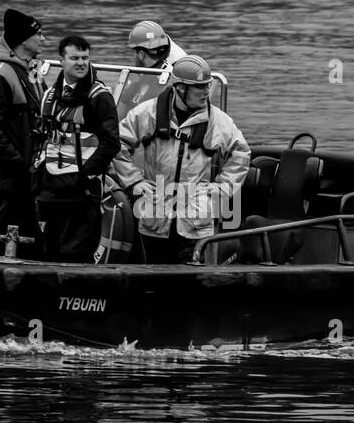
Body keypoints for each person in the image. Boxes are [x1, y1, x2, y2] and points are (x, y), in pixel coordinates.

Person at [113, 55, 250, 263]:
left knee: (191, 284)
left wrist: (221, 190)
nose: (206, 91)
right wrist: (134, 181)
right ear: (180, 88)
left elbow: (240, 153)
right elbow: (117, 144)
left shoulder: (217, 121)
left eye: (208, 85)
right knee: (151, 279)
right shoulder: (148, 113)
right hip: (154, 219)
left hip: (195, 224)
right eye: (199, 87)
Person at [33, 35, 121, 262]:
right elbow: (41, 138)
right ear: (61, 60)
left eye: (85, 58)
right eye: (74, 58)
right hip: (50, 189)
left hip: (82, 191)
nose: (81, 63)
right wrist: (37, 172)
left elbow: (111, 143)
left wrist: (86, 174)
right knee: (46, 250)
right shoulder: (49, 96)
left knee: (75, 253)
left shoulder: (99, 97)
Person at [0, 8, 46, 255]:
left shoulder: (31, 72)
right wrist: (17, 162)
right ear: (22, 39)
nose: (43, 39)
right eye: (38, 34)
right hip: (10, 177)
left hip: (30, 174)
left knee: (31, 237)